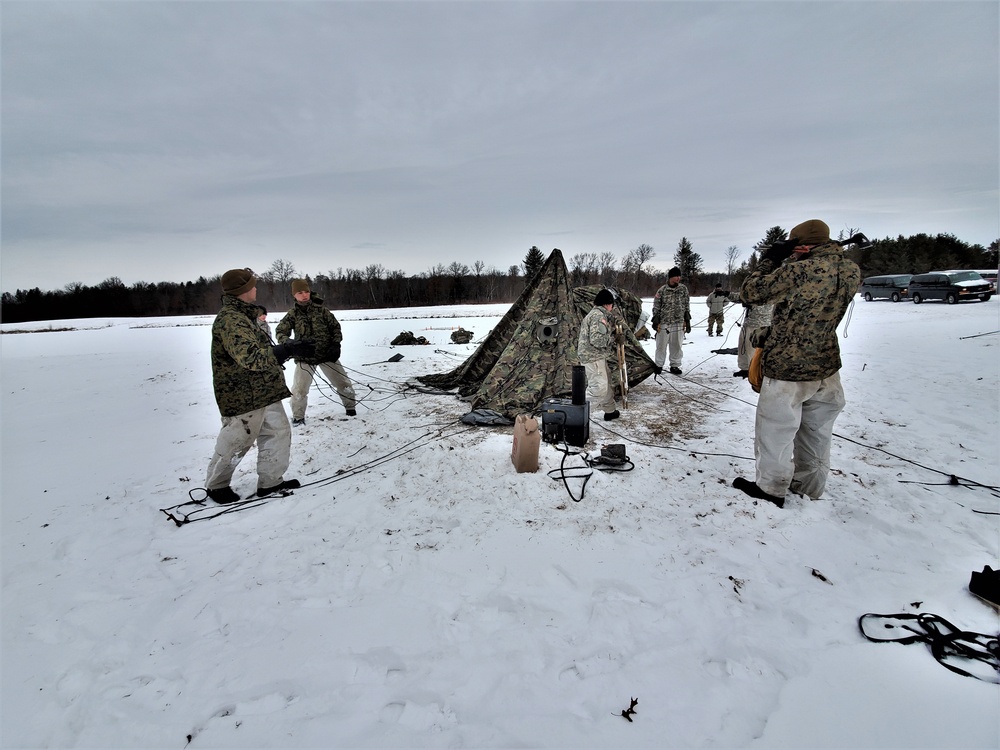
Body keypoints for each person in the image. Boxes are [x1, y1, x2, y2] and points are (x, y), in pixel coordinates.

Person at [732, 219, 861, 508]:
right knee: (817, 432)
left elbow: (751, 291)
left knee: (776, 429)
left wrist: (770, 260)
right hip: (826, 364)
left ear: (802, 246)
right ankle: (810, 487)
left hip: (789, 368)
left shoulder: (798, 270)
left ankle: (771, 487)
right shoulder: (850, 269)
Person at [205, 268, 314, 504]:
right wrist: (286, 350)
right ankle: (216, 485)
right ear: (243, 290)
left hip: (265, 390)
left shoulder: (246, 316)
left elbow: (263, 352)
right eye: (253, 285)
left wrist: (288, 349)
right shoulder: (231, 320)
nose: (256, 289)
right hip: (243, 395)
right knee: (237, 440)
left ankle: (271, 481)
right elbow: (251, 358)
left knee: (278, 433)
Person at [276, 279, 358, 424]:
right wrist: (290, 343)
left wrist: (335, 345)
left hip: (327, 354)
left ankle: (351, 409)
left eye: (306, 291)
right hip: (305, 357)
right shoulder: (292, 314)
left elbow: (335, 328)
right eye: (300, 292)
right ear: (294, 295)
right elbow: (280, 332)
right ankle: (298, 417)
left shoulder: (322, 310)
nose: (304, 295)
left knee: (343, 383)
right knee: (299, 390)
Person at [577, 288, 624, 421]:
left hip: (596, 356)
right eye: (612, 305)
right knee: (599, 388)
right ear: (607, 304)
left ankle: (610, 410)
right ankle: (577, 415)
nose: (612, 308)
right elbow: (597, 340)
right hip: (592, 357)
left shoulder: (596, 314)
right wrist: (614, 338)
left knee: (606, 383)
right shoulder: (599, 316)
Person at [651, 267, 691, 375]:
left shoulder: (683, 289)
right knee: (661, 345)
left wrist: (687, 319)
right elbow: (656, 306)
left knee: (677, 345)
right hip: (664, 322)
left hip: (678, 322)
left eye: (679, 276)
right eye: (676, 276)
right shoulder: (662, 290)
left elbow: (687, 304)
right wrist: (656, 319)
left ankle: (675, 365)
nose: (678, 278)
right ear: (670, 277)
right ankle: (659, 365)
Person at [733, 298, 773, 378]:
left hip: (759, 325)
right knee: (743, 346)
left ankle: (754, 371)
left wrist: (752, 305)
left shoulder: (769, 292)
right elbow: (742, 297)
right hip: (748, 323)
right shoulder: (754, 291)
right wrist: (727, 294)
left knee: (752, 349)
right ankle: (745, 368)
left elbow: (766, 308)